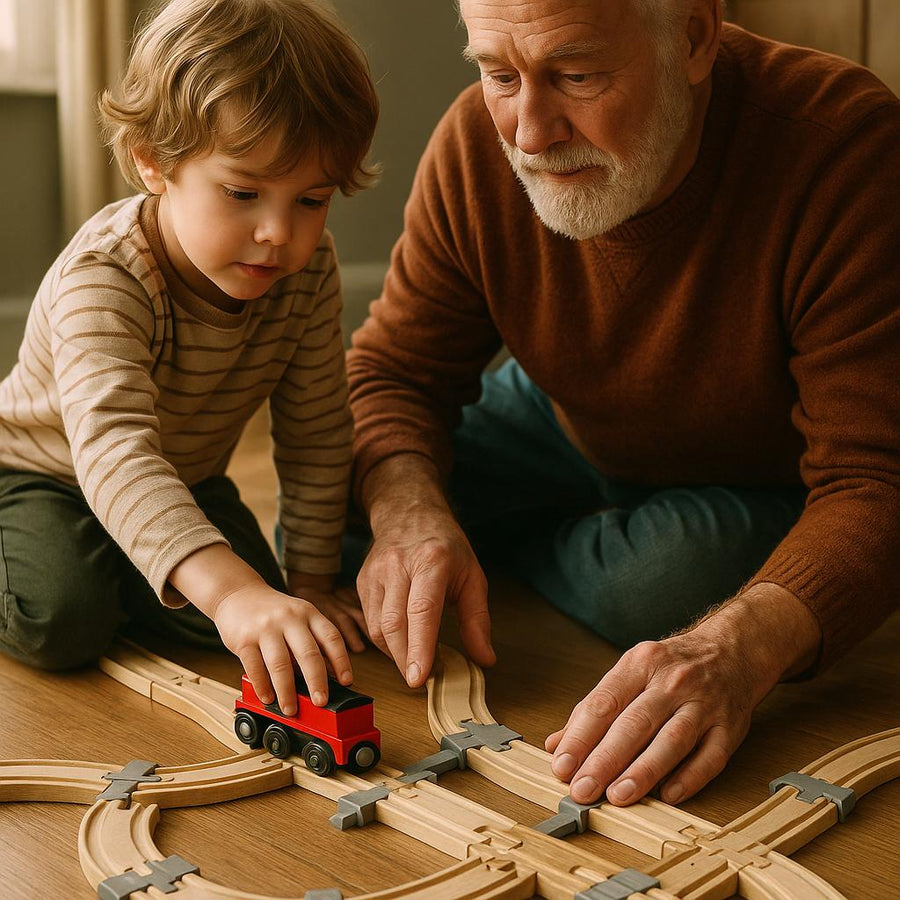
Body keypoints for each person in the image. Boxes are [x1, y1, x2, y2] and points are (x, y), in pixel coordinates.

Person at [346, 0, 900, 808]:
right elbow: (394, 373)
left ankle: (508, 547)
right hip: (561, 415)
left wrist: (736, 648)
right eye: (499, 75)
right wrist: (410, 517)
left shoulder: (844, 145)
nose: (529, 134)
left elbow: (878, 480)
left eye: (575, 76)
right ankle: (523, 542)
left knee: (663, 588)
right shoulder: (473, 142)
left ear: (695, 37)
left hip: (763, 472)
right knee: (343, 507)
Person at [0, 0, 378, 717]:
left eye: (311, 200)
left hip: (183, 479)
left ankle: (132, 561)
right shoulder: (104, 277)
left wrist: (311, 582)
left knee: (269, 624)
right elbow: (113, 451)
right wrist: (230, 592)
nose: (278, 232)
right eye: (243, 193)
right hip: (42, 474)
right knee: (62, 619)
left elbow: (317, 430)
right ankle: (100, 568)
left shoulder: (307, 274)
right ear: (153, 161)